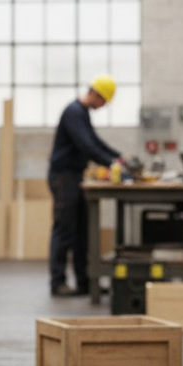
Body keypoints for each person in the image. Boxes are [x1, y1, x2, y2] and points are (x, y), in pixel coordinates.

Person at [48, 76, 122, 297]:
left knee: (82, 232)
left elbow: (95, 141)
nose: (103, 106)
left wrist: (120, 158)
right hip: (64, 177)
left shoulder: (82, 113)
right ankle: (57, 282)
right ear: (96, 94)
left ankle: (84, 282)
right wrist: (112, 163)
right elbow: (86, 145)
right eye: (104, 101)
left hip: (75, 177)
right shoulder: (73, 112)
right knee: (64, 230)